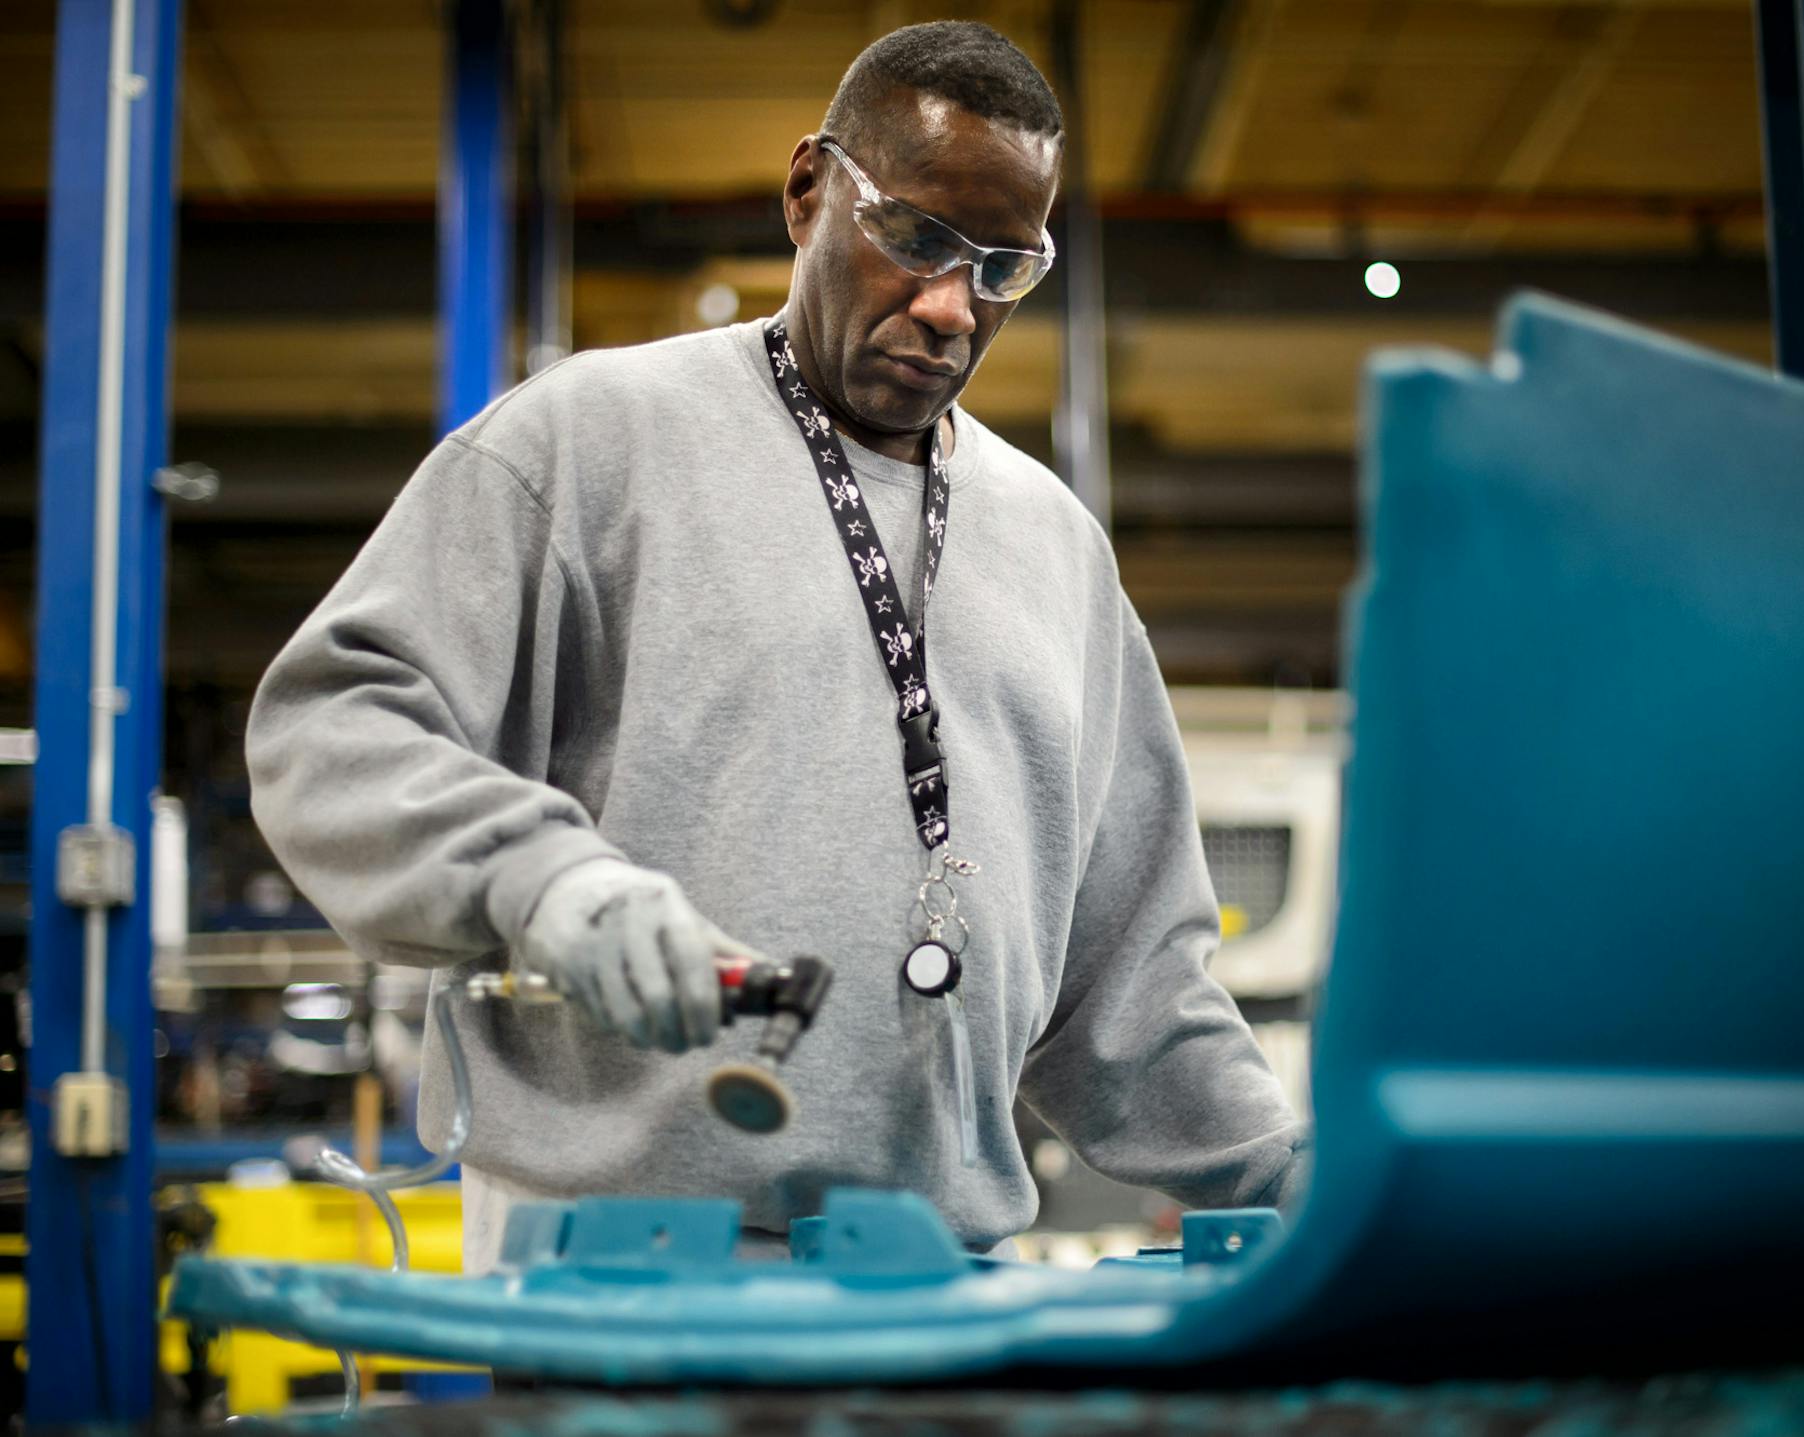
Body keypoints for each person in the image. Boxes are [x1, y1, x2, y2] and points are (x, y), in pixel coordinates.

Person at [247, 20, 1306, 1272]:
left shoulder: (1058, 550)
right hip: (616, 1281)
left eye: (1005, 269)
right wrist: (548, 886)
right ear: (809, 190)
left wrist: (1306, 1181)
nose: (949, 308)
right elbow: (334, 730)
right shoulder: (590, 446)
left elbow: (1135, 981)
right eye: (914, 238)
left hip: (937, 1289)